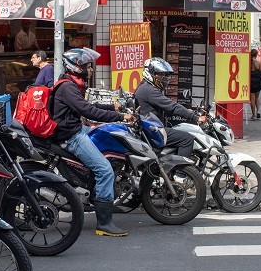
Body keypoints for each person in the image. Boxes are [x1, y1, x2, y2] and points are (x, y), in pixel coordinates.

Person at [51, 48, 135, 237]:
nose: (90, 69)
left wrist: (113, 105)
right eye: (87, 66)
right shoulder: (67, 87)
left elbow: (88, 106)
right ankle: (104, 223)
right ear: (76, 66)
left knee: (107, 138)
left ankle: (93, 187)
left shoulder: (72, 85)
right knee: (105, 170)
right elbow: (88, 112)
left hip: (77, 130)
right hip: (71, 136)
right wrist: (119, 116)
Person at [133, 57, 206, 159]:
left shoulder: (145, 87)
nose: (163, 77)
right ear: (150, 73)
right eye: (160, 74)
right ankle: (181, 172)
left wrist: (187, 112)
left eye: (165, 75)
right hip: (152, 131)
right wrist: (195, 117)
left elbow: (166, 107)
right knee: (187, 139)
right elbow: (172, 106)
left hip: (149, 128)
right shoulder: (149, 90)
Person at [249, 49, 261, 120]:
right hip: (258, 82)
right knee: (257, 97)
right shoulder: (259, 63)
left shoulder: (248, 63)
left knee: (252, 99)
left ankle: (253, 114)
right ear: (256, 55)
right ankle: (258, 111)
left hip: (251, 82)